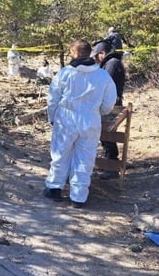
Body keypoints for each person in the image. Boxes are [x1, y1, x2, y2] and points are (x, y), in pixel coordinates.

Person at [44, 39, 117, 208]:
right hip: (90, 120)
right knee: (85, 157)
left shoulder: (65, 73)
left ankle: (54, 188)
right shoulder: (102, 76)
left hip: (66, 118)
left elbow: (53, 99)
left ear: (75, 53)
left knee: (60, 153)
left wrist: (52, 117)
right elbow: (109, 102)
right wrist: (98, 112)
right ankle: (78, 197)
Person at [92, 40, 126, 179]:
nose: (96, 59)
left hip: (111, 105)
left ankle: (111, 167)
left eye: (97, 55)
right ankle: (109, 163)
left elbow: (106, 85)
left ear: (102, 53)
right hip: (110, 103)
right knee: (106, 135)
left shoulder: (112, 64)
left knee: (108, 134)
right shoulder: (111, 63)